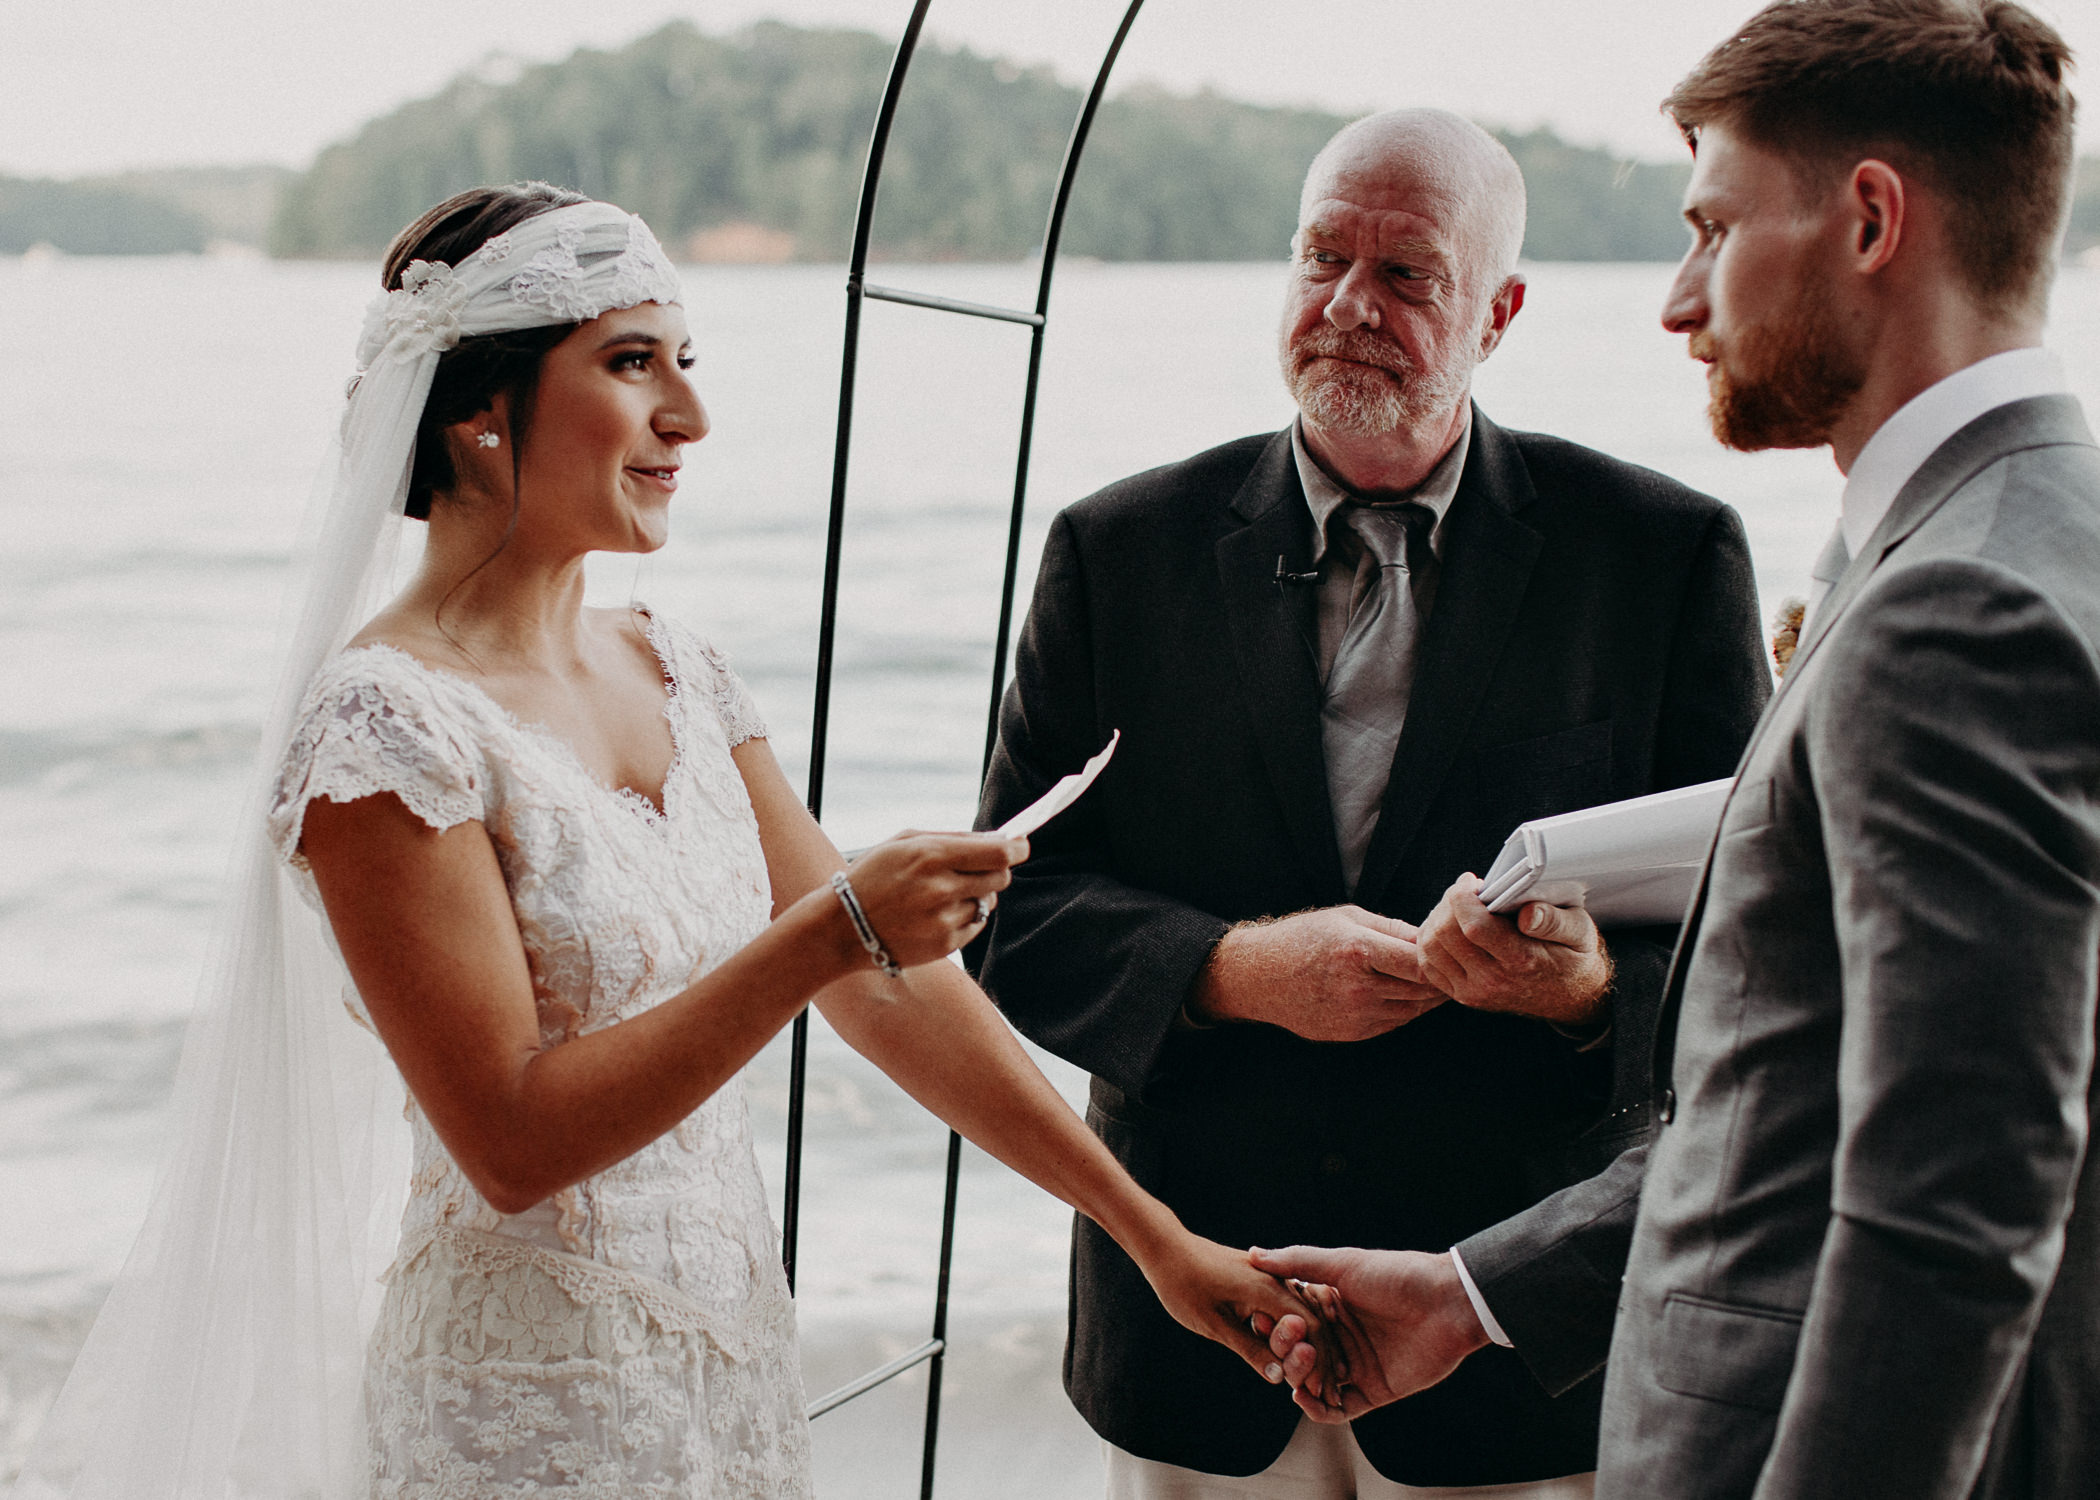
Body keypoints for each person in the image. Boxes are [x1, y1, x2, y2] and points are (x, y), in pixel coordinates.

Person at [13, 186, 1323, 1500]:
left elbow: (887, 993)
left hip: (730, 1372)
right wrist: (829, 931)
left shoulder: (676, 665)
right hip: (522, 1412)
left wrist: (1152, 1238)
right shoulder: (383, 727)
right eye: (632, 363)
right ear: (480, 411)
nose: (688, 417)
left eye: (684, 363)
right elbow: (512, 1138)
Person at [1256, 3, 2100, 1497]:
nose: (1677, 301)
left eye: (1712, 227)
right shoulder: (2031, 535)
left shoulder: (1958, 608)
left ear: (1870, 220)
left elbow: (1949, 1207)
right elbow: (1809, 1100)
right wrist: (1475, 1296)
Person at [971, 110, 1771, 1496]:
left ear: (1501, 311)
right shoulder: (1115, 551)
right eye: (1321, 257)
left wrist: (1587, 996)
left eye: (1408, 274)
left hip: (1509, 1341)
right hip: (1199, 1318)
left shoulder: (1664, 557)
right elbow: (1006, 912)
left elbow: (1758, 952)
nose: (1349, 306)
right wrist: (1226, 970)